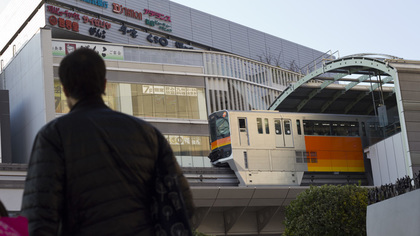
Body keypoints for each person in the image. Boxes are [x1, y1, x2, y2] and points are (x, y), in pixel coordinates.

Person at [21, 48, 194, 235]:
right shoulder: (149, 134)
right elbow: (184, 204)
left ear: (65, 89)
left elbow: (38, 218)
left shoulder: (53, 135)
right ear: (104, 84)